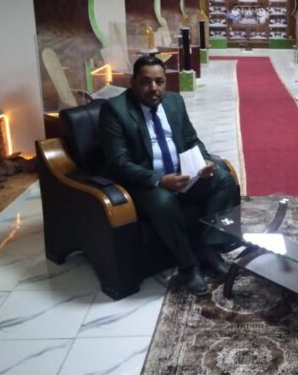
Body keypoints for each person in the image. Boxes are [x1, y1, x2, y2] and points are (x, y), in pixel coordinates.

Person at [98, 55, 239, 296]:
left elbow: (191, 139)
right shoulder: (115, 110)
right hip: (146, 183)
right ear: (133, 82)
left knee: (224, 179)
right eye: (146, 82)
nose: (154, 88)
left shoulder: (174, 101)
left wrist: (204, 160)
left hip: (182, 174)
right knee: (164, 202)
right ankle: (189, 265)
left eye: (159, 82)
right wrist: (160, 180)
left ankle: (208, 249)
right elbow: (119, 163)